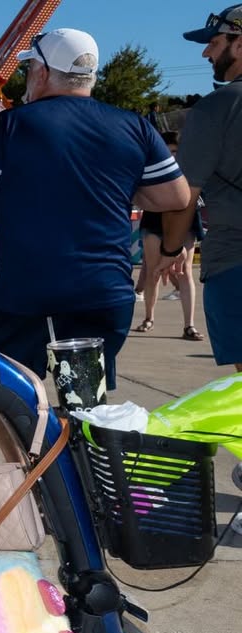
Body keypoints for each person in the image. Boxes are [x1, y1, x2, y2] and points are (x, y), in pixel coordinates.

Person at [0, 28, 190, 391]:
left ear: (42, 72)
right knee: (86, 403)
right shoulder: (134, 126)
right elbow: (176, 198)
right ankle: (83, 448)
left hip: (29, 295)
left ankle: (34, 451)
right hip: (106, 293)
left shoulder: (11, 125)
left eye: (30, 69)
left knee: (9, 397)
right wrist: (120, 192)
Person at [163, 6, 242, 374]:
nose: (205, 52)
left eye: (214, 42)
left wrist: (170, 248)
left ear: (239, 45)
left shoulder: (217, 107)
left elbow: (184, 195)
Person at [133, 131, 203, 341]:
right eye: (170, 151)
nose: (173, 156)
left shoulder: (193, 171)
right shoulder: (150, 168)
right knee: (153, 270)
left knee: (185, 272)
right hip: (154, 222)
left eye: (177, 152)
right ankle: (149, 318)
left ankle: (189, 325)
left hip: (186, 221)